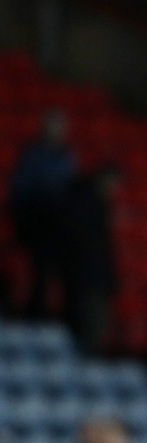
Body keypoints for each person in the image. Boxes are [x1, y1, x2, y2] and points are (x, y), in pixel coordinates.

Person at [5, 108, 78, 319]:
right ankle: (31, 310)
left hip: (57, 224)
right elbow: (20, 189)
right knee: (35, 268)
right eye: (53, 125)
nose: (57, 131)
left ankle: (48, 311)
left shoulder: (67, 155)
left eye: (61, 127)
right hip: (35, 222)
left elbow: (69, 188)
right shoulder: (32, 154)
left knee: (53, 271)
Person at [61, 163, 121, 355]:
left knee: (95, 324)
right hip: (85, 278)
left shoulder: (99, 205)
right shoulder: (85, 203)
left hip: (96, 278)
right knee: (86, 321)